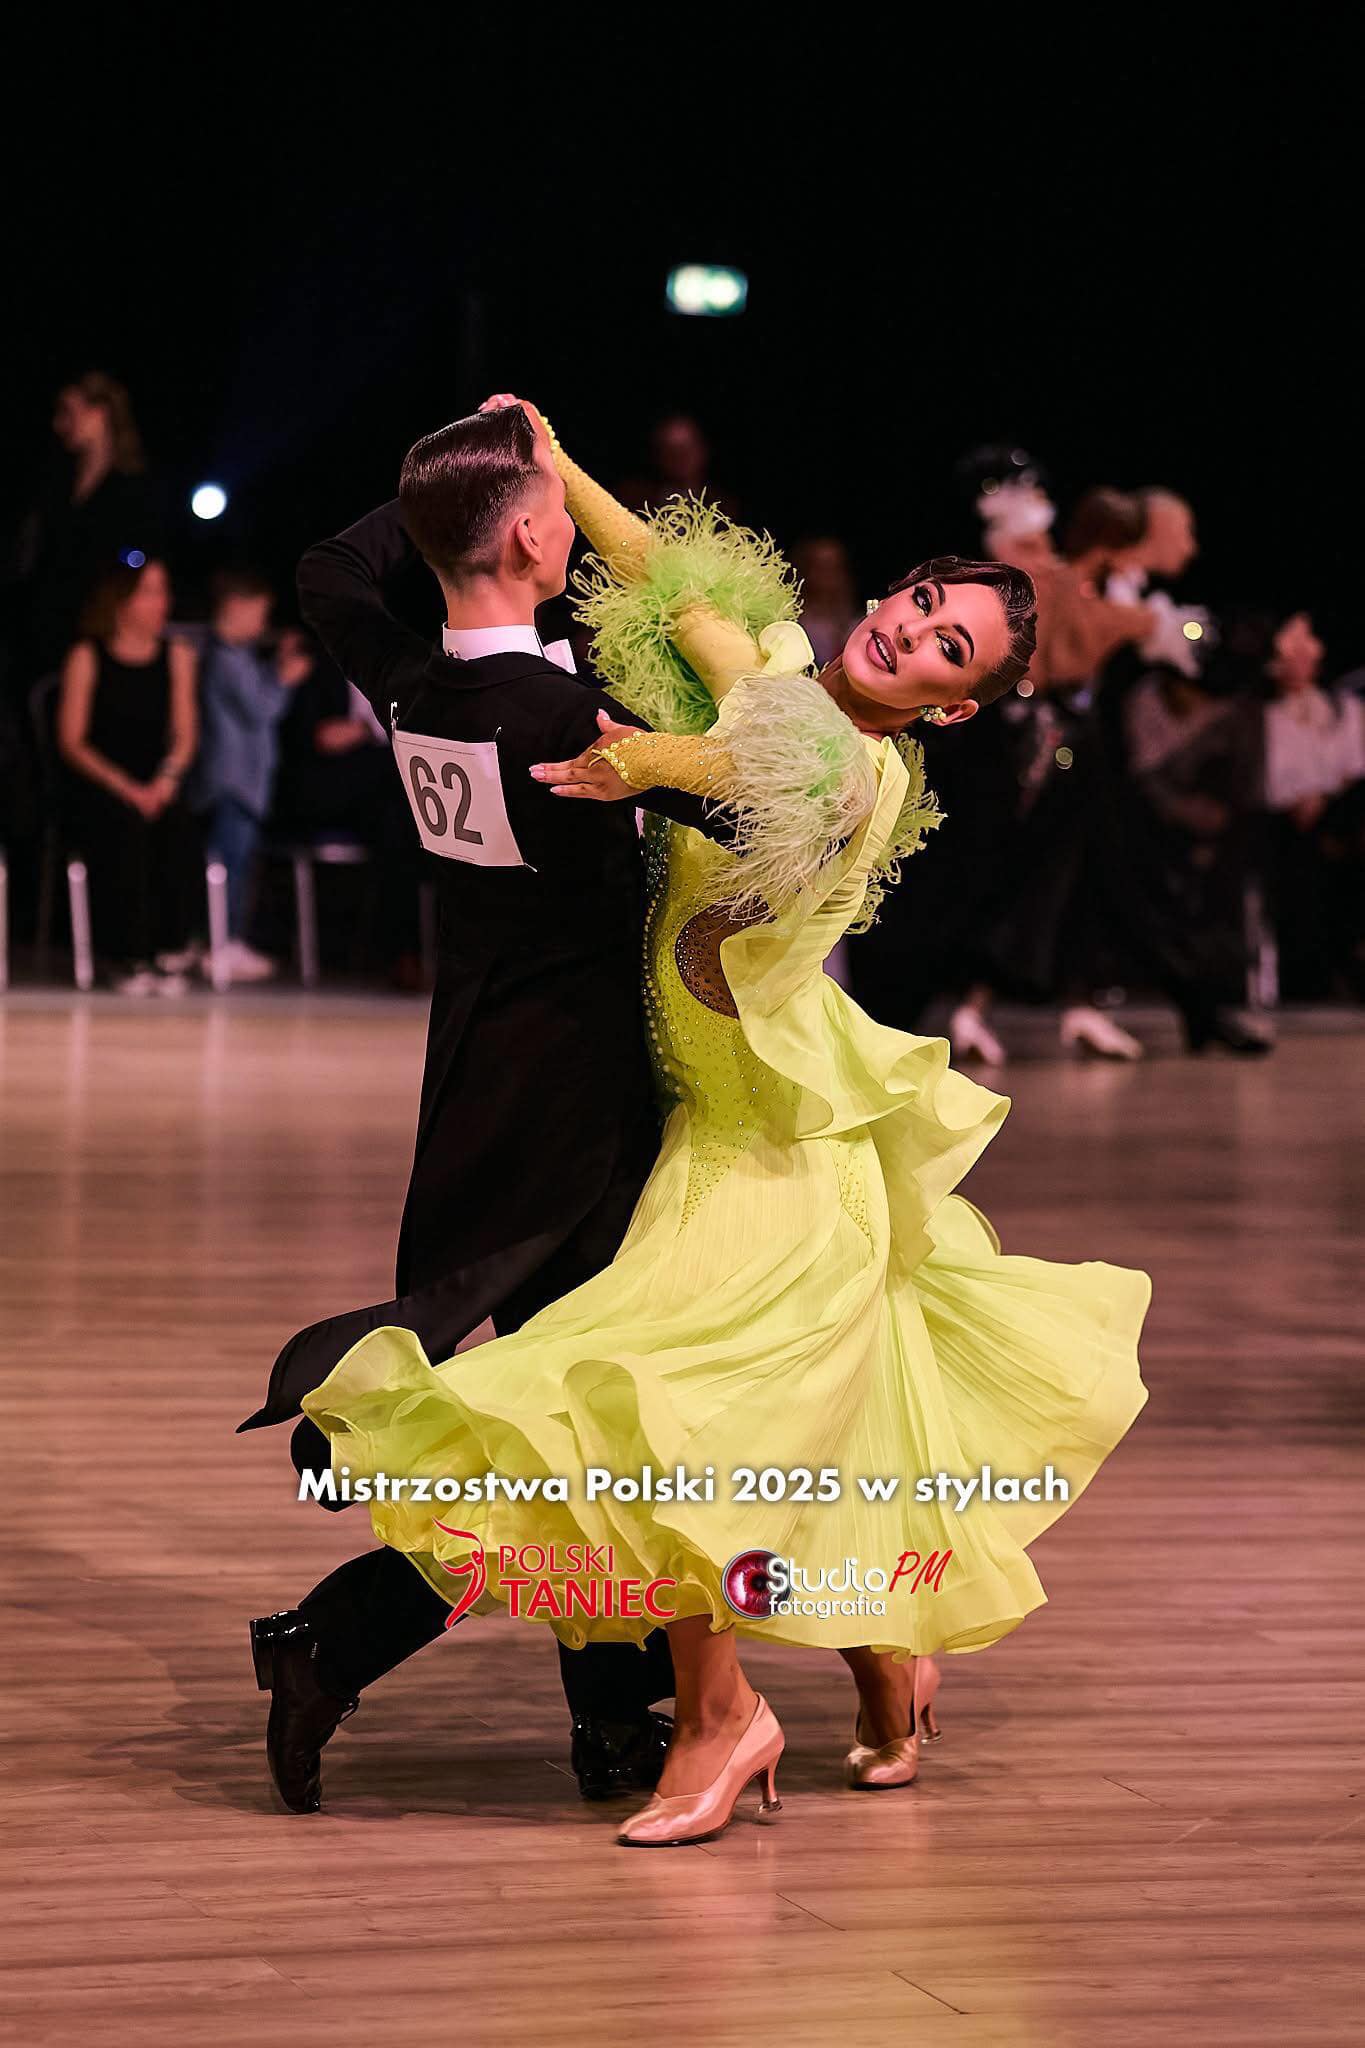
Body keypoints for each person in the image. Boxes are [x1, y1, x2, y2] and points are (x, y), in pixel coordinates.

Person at [298, 396, 1149, 1848]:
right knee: (780, 1438)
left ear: (954, 708)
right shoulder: (779, 672)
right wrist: (550, 453)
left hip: (774, 1141)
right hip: (694, 1112)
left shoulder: (860, 768)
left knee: (677, 1421)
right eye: (920, 603)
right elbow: (668, 582)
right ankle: (881, 1664)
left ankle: (720, 1719)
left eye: (949, 650)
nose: (911, 633)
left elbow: (772, 777)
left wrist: (644, 762)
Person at [241, 405, 745, 1815]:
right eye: (559, 504)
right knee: (585, 1421)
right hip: (578, 1119)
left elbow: (329, 572)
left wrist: (431, 496)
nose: (575, 518)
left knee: (575, 1417)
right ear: (529, 535)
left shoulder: (413, 684)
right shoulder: (562, 722)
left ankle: (609, 1718)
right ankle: (337, 1639)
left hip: (475, 1092)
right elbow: (754, 812)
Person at [56, 559, 200, 993]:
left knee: (177, 823)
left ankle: (169, 948)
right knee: (123, 826)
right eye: (150, 591)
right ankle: (126, 954)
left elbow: (185, 734)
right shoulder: (87, 655)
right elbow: (73, 741)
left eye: (164, 591)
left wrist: (165, 781)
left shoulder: (177, 655)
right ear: (121, 600)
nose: (163, 602)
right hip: (102, 783)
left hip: (157, 782)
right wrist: (126, 788)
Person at [186, 571, 292, 982]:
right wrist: (284, 678)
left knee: (238, 864)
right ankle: (220, 941)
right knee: (228, 865)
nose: (263, 623)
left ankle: (223, 939)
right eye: (260, 613)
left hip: (245, 782)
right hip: (231, 781)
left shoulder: (238, 657)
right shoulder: (224, 659)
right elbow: (260, 708)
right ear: (235, 608)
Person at [1263, 611, 1365, 997]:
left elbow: (1353, 768)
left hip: (1338, 826)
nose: (1299, 654)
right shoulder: (1261, 716)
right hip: (1279, 832)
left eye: (1307, 643)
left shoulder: (1343, 710)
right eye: (1290, 645)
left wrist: (1326, 799)